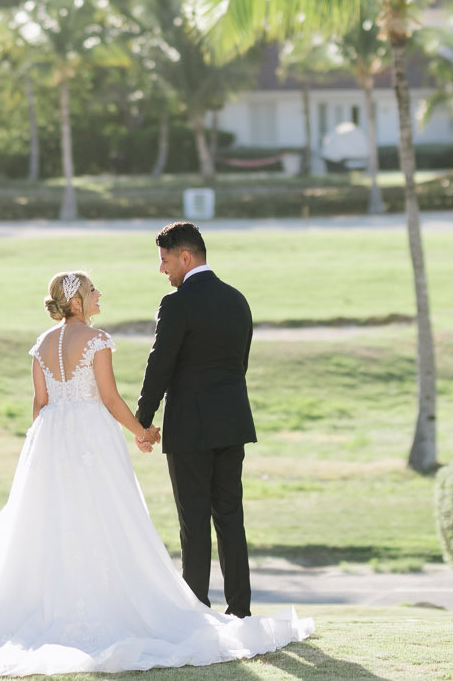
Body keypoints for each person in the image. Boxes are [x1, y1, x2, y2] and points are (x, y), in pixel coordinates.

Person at [0, 259, 310, 675]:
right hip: (91, 437)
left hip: (51, 440)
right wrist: (141, 431)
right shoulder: (96, 340)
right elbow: (108, 397)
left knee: (51, 521)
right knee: (106, 517)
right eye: (93, 290)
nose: (99, 295)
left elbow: (39, 405)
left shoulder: (41, 344)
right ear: (78, 300)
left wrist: (43, 449)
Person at [134, 221, 255, 617]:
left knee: (194, 522)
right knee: (230, 517)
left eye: (165, 261)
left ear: (185, 257)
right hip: (233, 422)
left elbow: (160, 365)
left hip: (190, 428)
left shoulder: (177, 304)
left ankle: (197, 612)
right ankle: (239, 610)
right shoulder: (238, 299)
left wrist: (143, 420)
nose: (162, 270)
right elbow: (241, 365)